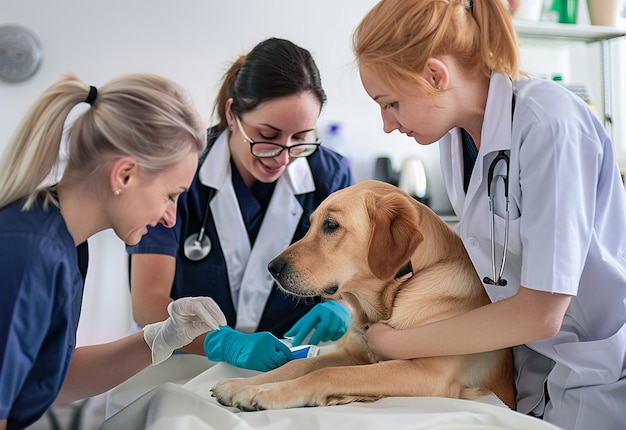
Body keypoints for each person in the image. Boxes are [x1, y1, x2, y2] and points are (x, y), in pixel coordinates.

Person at [353, 0, 626, 429]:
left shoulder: (549, 123)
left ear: (434, 75)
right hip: (526, 365)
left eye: (390, 104)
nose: (387, 124)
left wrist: (400, 343)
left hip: (593, 370)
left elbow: (541, 311)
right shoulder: (457, 135)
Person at [0, 73, 227, 430]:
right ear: (124, 175)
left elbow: (52, 380)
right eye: (171, 195)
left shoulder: (65, 245)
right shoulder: (29, 253)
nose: (171, 218)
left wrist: (160, 339)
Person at [128, 37, 354, 372]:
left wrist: (345, 307)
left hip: (291, 363)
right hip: (185, 362)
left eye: (301, 137)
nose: (283, 155)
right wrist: (221, 342)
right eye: (268, 135)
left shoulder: (330, 174)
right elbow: (148, 302)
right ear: (232, 114)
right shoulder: (178, 168)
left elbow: (352, 273)